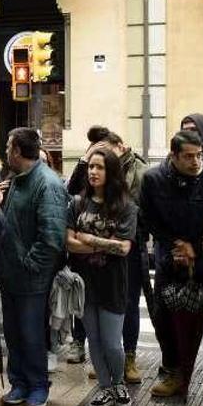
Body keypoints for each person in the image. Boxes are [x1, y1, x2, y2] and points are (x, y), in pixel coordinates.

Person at [65, 129, 147, 385]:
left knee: (112, 343)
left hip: (113, 282)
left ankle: (118, 384)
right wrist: (105, 244)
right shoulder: (77, 204)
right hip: (85, 282)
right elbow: (69, 243)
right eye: (90, 166)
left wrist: (88, 239)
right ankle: (104, 385)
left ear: (111, 171)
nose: (93, 172)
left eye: (99, 167)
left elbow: (123, 248)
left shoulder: (125, 206)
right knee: (95, 342)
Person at [140, 131, 203, 401]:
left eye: (199, 155)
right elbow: (148, 218)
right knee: (164, 320)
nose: (196, 161)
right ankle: (174, 373)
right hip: (169, 258)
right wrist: (176, 244)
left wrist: (195, 248)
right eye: (188, 156)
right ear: (173, 155)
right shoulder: (153, 179)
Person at [0, 127, 66, 406]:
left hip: (32, 279)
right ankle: (19, 383)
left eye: (7, 147)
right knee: (13, 334)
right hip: (10, 275)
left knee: (31, 333)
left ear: (16, 151)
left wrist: (30, 267)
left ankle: (38, 385)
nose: (5, 152)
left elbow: (51, 238)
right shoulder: (14, 180)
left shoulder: (46, 183)